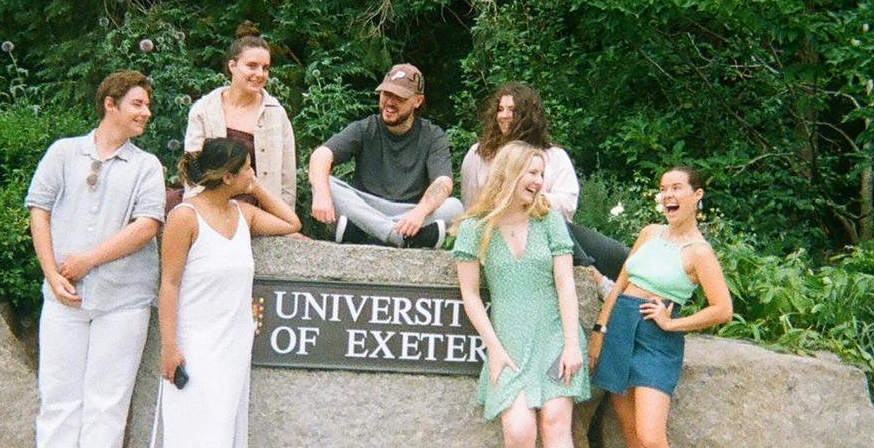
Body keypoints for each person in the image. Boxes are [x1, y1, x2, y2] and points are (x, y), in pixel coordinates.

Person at [23, 70, 167, 448]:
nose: (146, 112)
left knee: (108, 397)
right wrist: (53, 272)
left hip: (123, 298)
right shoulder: (64, 152)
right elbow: (39, 209)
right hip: (64, 297)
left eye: (146, 106)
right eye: (138, 104)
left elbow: (147, 224)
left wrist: (88, 259)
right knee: (60, 395)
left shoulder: (146, 166)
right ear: (111, 104)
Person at [151, 138, 302, 448]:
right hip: (195, 339)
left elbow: (291, 222)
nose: (254, 175)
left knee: (213, 429)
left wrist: (256, 189)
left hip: (234, 339)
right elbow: (169, 284)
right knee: (209, 429)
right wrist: (170, 345)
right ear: (226, 176)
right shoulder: (184, 217)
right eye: (247, 170)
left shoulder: (245, 213)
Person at [453, 141, 591, 448]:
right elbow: (471, 296)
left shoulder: (549, 220)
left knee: (554, 420)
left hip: (553, 334)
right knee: (517, 429)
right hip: (508, 340)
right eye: (531, 173)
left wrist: (572, 342)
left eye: (540, 173)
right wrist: (494, 349)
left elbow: (566, 285)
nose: (537, 181)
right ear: (509, 173)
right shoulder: (476, 228)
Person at [588, 166, 733, 448]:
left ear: (696, 195)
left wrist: (673, 323)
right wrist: (600, 328)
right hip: (619, 330)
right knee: (633, 435)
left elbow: (723, 309)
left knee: (652, 435)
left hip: (656, 338)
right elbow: (621, 282)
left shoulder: (699, 252)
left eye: (677, 188)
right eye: (663, 189)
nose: (668, 195)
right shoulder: (650, 234)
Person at [460, 82, 628, 280]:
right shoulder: (479, 154)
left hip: (552, 230)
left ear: (527, 116)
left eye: (512, 110)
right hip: (499, 230)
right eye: (500, 109)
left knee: (622, 256)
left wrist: (534, 200)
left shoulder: (554, 155)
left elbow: (567, 205)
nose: (504, 115)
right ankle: (592, 276)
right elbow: (471, 204)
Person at [307, 63, 463, 247]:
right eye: (386, 93)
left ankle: (367, 235)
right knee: (325, 184)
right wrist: (323, 194)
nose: (390, 102)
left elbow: (443, 183)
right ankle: (397, 237)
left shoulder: (433, 135)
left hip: (409, 214)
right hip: (365, 208)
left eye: (399, 97)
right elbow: (321, 154)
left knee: (455, 208)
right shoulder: (366, 127)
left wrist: (420, 212)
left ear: (418, 101)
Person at [181, 23, 297, 209]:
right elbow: (192, 170)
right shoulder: (204, 109)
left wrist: (283, 218)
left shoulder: (276, 113)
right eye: (252, 66)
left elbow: (287, 179)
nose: (259, 74)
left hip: (259, 210)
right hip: (212, 206)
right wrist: (201, 214)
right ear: (232, 66)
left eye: (265, 68)